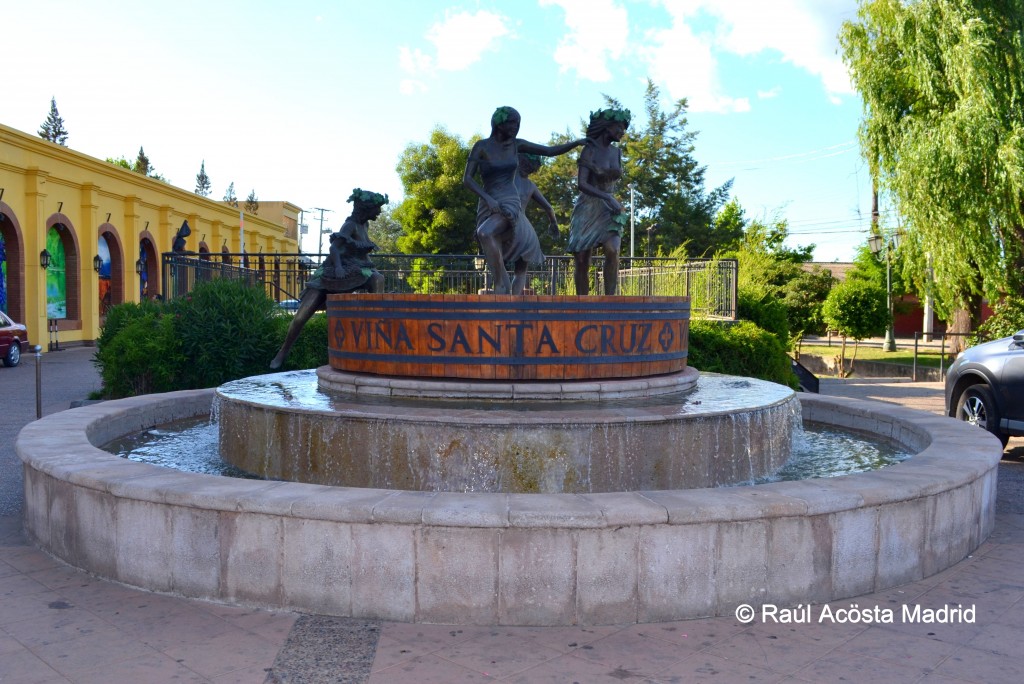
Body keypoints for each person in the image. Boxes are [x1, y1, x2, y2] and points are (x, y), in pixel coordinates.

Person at [463, 106, 585, 295]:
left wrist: (576, 143)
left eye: (518, 123)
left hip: (509, 201)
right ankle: (504, 289)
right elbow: (467, 179)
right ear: (499, 123)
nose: (516, 127)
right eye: (512, 123)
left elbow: (549, 151)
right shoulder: (481, 146)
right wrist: (487, 199)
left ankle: (499, 285)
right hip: (488, 203)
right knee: (490, 240)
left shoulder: (516, 145)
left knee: (485, 233)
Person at [269, 188, 386, 370]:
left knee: (377, 279)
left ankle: (375, 331)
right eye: (376, 208)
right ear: (366, 209)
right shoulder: (350, 225)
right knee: (300, 317)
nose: (379, 212)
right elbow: (334, 248)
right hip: (331, 273)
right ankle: (283, 351)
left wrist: (371, 268)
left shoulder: (365, 226)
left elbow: (361, 253)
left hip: (355, 269)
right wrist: (338, 267)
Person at [568, 107, 631, 296]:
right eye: (619, 127)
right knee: (582, 259)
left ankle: (610, 300)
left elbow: (612, 175)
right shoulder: (590, 150)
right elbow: (582, 184)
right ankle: (582, 302)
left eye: (624, 128)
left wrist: (609, 198)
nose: (622, 132)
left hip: (609, 209)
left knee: (613, 249)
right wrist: (607, 197)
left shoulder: (616, 152)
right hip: (588, 207)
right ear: (607, 126)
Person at [507, 153, 559, 294]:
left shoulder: (506, 179)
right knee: (520, 271)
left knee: (500, 264)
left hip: (505, 218)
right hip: (524, 230)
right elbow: (549, 208)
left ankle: (503, 299)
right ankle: (514, 301)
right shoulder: (530, 186)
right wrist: (553, 223)